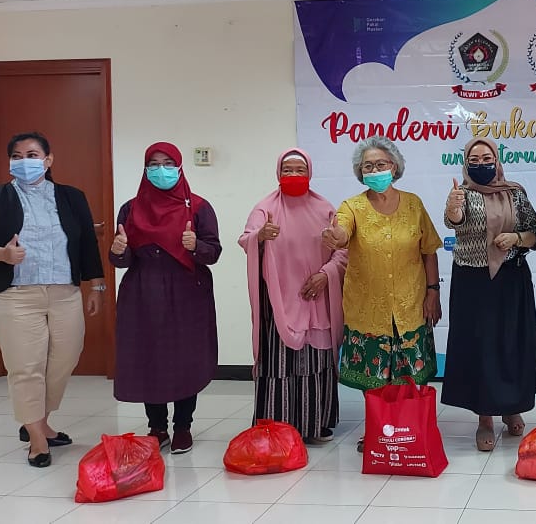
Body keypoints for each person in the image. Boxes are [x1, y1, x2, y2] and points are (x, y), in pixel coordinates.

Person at [0, 132, 105, 468]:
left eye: (32, 155)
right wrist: (0, 253)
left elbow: (87, 242)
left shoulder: (71, 197)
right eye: (16, 156)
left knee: (64, 359)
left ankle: (38, 419)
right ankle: (37, 438)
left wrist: (96, 285)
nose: (24, 161)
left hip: (64, 293)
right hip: (15, 295)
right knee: (26, 367)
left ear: (48, 160)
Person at [321, 136, 442, 453]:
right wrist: (335, 235)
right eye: (368, 166)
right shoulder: (352, 207)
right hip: (368, 310)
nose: (375, 171)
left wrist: (433, 292)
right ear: (360, 173)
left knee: (409, 374)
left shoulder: (414, 204)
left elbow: (429, 250)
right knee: (374, 378)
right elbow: (341, 232)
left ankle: (409, 428)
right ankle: (378, 428)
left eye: (381, 164)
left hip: (410, 305)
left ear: (394, 167)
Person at [110, 142, 220, 455]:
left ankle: (183, 426)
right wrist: (118, 251)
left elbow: (213, 253)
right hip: (143, 291)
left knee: (185, 357)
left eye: (168, 163)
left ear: (180, 167)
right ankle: (157, 427)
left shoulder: (198, 207)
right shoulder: (130, 209)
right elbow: (122, 259)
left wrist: (196, 245)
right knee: (151, 357)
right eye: (154, 163)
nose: (161, 170)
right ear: (145, 169)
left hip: (187, 291)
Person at [442, 137, 536, 452]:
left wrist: (516, 238)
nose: (481, 164)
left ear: (497, 161)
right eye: (474, 160)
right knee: (480, 349)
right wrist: (453, 208)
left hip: (511, 279)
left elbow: (534, 235)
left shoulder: (515, 193)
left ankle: (512, 408)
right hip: (473, 282)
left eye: (487, 159)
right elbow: (454, 222)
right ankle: (484, 418)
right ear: (466, 164)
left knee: (511, 345)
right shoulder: (461, 194)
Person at [239, 149, 347, 444]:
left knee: (316, 360)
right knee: (279, 363)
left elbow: (343, 250)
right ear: (278, 173)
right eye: (288, 170)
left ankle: (317, 423)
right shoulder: (265, 209)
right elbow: (246, 240)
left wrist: (326, 274)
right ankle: (277, 426)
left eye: (300, 170)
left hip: (317, 298)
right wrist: (260, 237)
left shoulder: (325, 209)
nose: (294, 175)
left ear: (310, 173)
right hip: (279, 302)